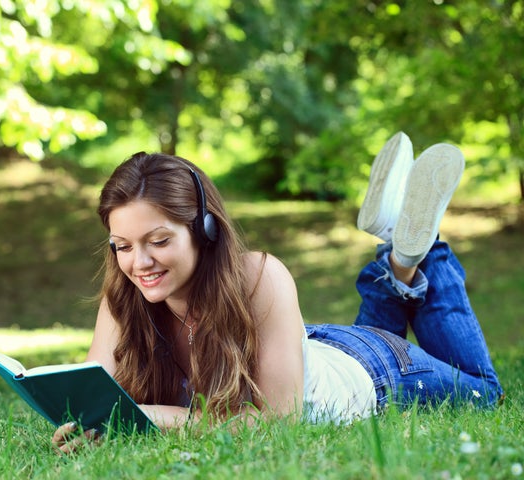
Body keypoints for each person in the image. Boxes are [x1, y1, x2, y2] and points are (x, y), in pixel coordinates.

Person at [52, 132, 504, 453]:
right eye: (123, 246)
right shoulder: (124, 296)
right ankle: (395, 246)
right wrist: (80, 427)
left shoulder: (258, 275)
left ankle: (423, 251)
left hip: (373, 370)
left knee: (485, 391)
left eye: (159, 241)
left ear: (205, 230)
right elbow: (93, 400)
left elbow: (275, 422)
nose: (139, 263)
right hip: (307, 349)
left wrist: (147, 417)